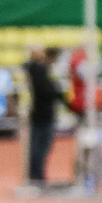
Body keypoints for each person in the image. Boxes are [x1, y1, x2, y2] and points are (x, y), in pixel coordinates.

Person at [20, 45, 66, 187]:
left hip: (42, 114)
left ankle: (37, 176)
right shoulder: (37, 70)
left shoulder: (40, 70)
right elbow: (48, 90)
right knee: (39, 148)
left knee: (40, 148)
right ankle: (36, 177)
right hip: (42, 115)